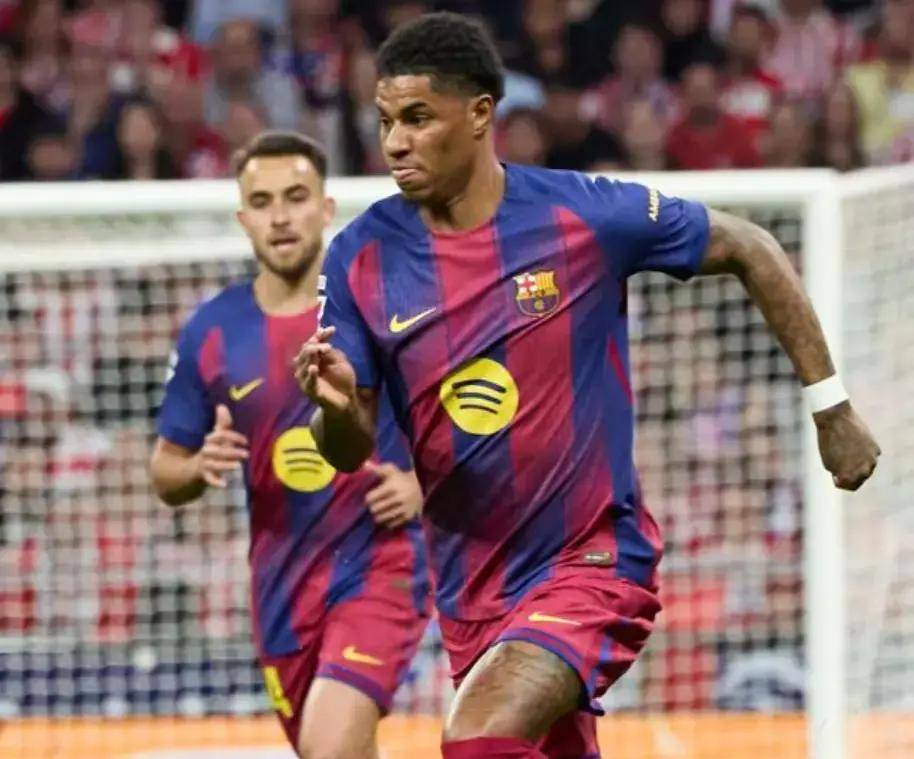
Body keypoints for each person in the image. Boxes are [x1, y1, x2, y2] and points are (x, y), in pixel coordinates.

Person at [295, 12, 881, 759]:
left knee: (479, 737)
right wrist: (335, 409)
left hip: (591, 561)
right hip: (472, 589)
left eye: (417, 118)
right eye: (385, 122)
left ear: (479, 115)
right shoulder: (359, 256)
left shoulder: (578, 214)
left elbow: (750, 244)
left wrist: (831, 407)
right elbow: (345, 449)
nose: (395, 143)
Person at [150, 131, 430, 759]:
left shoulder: (382, 308)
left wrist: (422, 483)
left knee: (330, 745)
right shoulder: (212, 330)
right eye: (263, 201)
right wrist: (198, 466)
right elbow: (165, 472)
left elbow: (463, 417)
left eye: (296, 197)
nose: (280, 216)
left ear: (326, 208)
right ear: (243, 219)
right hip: (281, 582)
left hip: (380, 562)